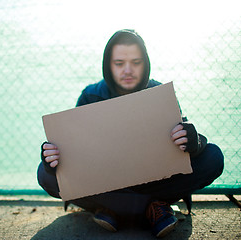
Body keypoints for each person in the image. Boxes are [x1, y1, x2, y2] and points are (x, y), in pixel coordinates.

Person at [37, 29, 224, 238]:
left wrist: (193, 140)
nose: (128, 70)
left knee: (213, 157)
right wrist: (52, 157)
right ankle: (152, 209)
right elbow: (72, 157)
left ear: (145, 63)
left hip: (152, 180)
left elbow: (189, 147)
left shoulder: (158, 94)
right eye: (119, 63)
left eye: (136, 62)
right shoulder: (90, 96)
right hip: (105, 182)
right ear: (108, 65)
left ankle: (117, 210)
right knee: (44, 174)